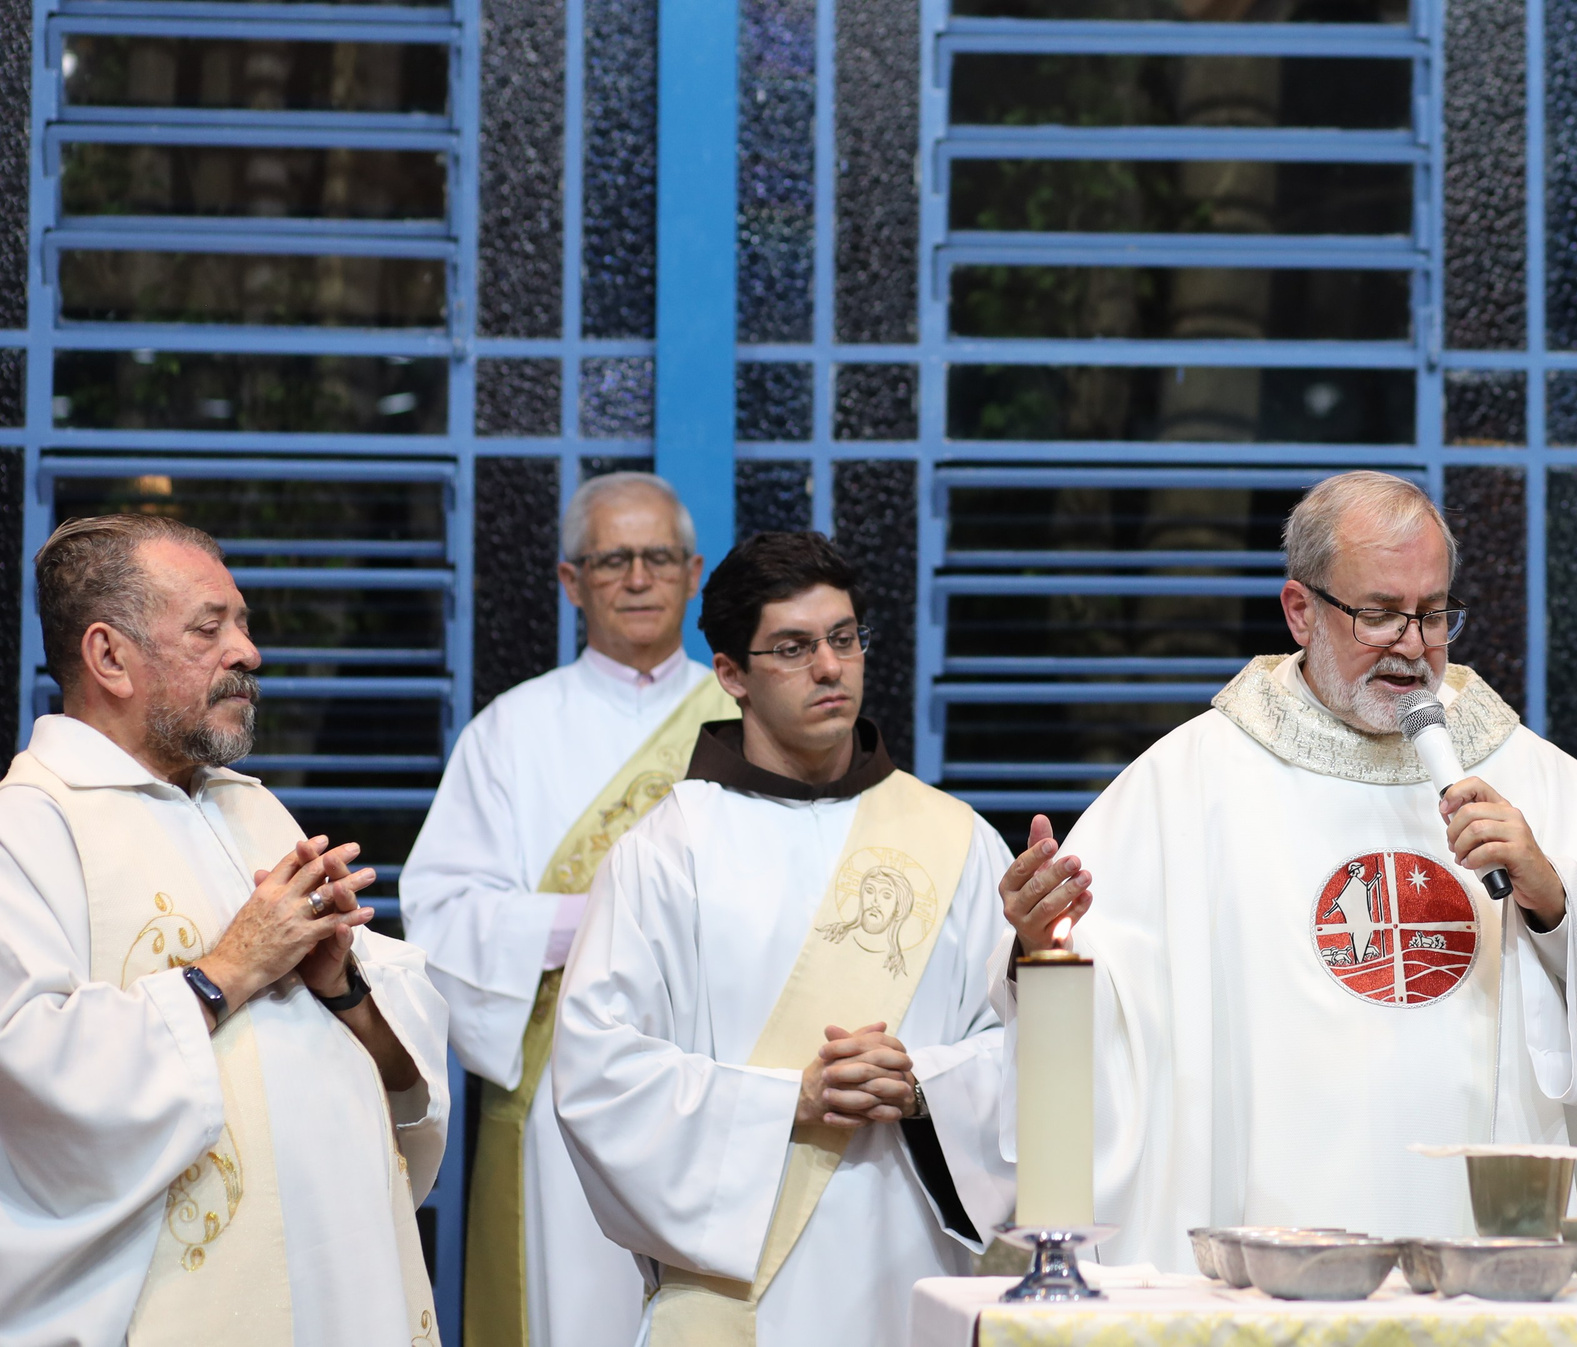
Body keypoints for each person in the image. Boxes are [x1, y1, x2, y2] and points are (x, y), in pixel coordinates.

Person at [988, 472, 1577, 1270]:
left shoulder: (1532, 776)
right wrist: (1036, 947)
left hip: (1482, 1248)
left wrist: (1554, 899)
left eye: (1433, 613)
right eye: (1379, 613)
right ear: (1301, 610)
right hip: (1275, 1242)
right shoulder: (1190, 782)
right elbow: (1101, 1011)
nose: (1413, 643)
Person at [549, 532, 1012, 1347]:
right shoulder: (669, 851)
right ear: (732, 674)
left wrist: (922, 1086)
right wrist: (789, 1101)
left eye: (843, 638)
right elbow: (598, 1069)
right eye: (793, 648)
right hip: (744, 1290)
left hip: (917, 1269)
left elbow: (1025, 1052)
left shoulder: (959, 839)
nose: (830, 668)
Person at [0, 514, 449, 1346]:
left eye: (242, 623)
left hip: (342, 1286)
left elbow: (399, 1071)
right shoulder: (29, 825)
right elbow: (25, 1069)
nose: (248, 652)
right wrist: (225, 972)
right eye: (211, 628)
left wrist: (343, 985)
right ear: (108, 656)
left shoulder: (247, 802)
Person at [403, 472, 727, 1347]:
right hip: (563, 1087)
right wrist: (585, 922)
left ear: (694, 573)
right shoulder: (510, 731)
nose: (636, 576)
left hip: (721, 1076)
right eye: (611, 558)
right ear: (569, 579)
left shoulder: (746, 725)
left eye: (657, 556)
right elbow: (439, 910)